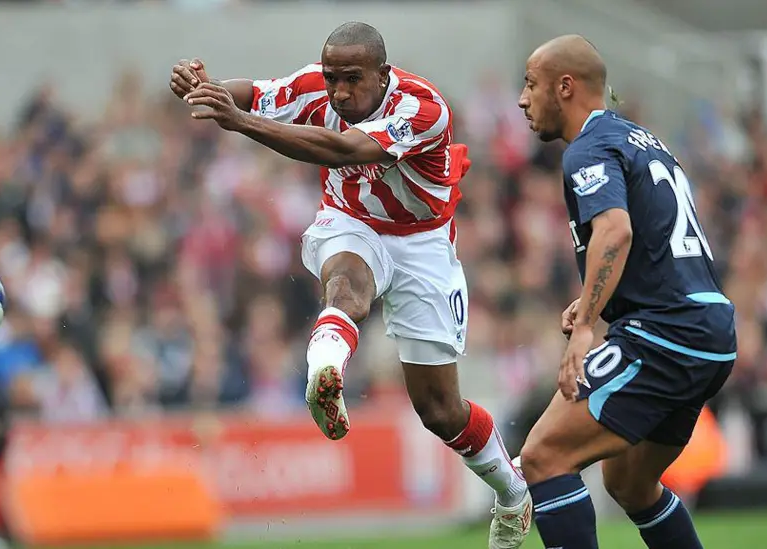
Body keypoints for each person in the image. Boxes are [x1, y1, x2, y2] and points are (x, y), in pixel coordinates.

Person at [170, 21, 531, 547]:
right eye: (333, 78)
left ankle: (512, 493)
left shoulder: (422, 108)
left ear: (383, 75)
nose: (339, 91)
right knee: (346, 282)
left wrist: (239, 122)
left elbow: (340, 151)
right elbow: (259, 94)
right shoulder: (319, 85)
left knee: (439, 411)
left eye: (353, 80)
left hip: (422, 243)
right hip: (351, 221)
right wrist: (208, 88)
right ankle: (325, 367)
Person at [515, 35, 737, 549]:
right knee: (629, 484)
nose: (523, 100)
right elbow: (657, 244)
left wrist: (588, 324)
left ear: (564, 87)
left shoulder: (589, 148)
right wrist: (604, 298)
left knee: (543, 457)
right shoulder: (642, 139)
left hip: (666, 333)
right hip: (708, 330)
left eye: (530, 85)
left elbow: (615, 231)